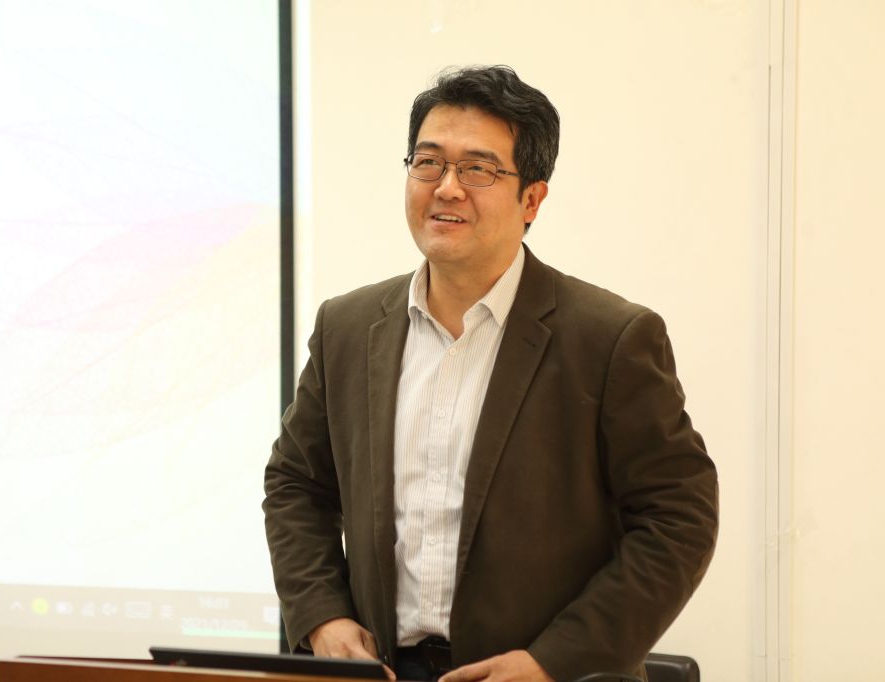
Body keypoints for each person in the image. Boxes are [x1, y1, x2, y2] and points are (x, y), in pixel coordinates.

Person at [263, 65, 718, 682]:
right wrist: (322, 615)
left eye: (478, 169)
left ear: (532, 199)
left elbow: (678, 519)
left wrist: (554, 661)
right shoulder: (346, 327)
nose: (447, 188)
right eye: (428, 163)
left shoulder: (610, 338)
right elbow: (296, 485)